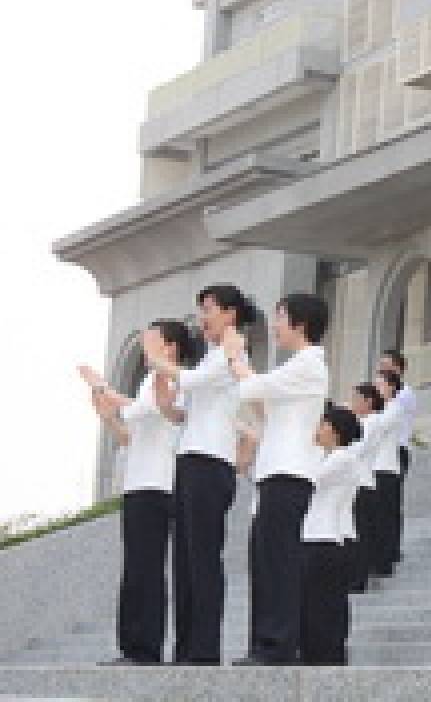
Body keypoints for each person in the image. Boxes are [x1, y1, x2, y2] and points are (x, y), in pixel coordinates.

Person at [143, 284, 257, 665]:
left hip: (211, 466)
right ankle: (187, 648)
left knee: (204, 559)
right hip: (190, 462)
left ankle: (205, 650)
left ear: (230, 313)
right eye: (200, 310)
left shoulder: (233, 351)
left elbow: (193, 382)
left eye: (208, 309)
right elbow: (184, 413)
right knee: (186, 560)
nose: (201, 318)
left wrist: (157, 358)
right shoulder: (212, 355)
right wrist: (165, 403)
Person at [79, 319, 196, 665]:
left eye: (151, 340)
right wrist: (108, 417)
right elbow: (132, 435)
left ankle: (145, 648)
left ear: (171, 347)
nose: (145, 346)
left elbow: (149, 410)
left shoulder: (177, 379)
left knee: (146, 567)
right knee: (135, 568)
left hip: (159, 486)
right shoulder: (148, 381)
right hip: (138, 484)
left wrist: (103, 387)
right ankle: (131, 646)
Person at [224, 293, 330, 666]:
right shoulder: (296, 368)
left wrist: (236, 354)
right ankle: (264, 644)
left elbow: (254, 388)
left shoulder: (308, 364)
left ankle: (278, 645)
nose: (275, 324)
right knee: (265, 560)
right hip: (274, 474)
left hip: (289, 475)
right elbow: (261, 404)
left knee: (279, 562)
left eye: (280, 316)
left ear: (300, 323)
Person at [299, 404, 363, 666]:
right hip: (313, 539)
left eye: (323, 423)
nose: (317, 428)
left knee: (324, 606)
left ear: (336, 431)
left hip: (326, 541)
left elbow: (308, 480)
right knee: (311, 605)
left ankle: (328, 658)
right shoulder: (326, 457)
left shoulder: (344, 458)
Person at [346, 382, 386, 593]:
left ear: (368, 401)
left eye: (356, 399)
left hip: (362, 483)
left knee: (360, 534)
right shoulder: (361, 422)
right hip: (355, 482)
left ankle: (358, 579)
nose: (352, 403)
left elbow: (357, 449)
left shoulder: (372, 422)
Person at [378, 350, 416, 564]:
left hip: (396, 451)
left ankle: (392, 550)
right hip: (381, 453)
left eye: (386, 365)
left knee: (391, 503)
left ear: (399, 370)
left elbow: (388, 416)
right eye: (380, 365)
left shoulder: (405, 394)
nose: (381, 369)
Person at [370, 369, 405, 577]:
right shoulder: (380, 409)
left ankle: (385, 561)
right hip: (373, 468)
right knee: (375, 518)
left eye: (380, 384)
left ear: (391, 387)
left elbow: (379, 427)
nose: (377, 388)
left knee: (385, 517)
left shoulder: (395, 407)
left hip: (387, 469)